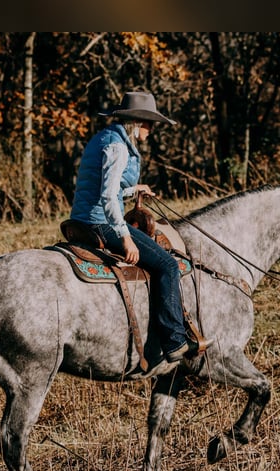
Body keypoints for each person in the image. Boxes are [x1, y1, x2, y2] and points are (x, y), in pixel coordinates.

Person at [69, 91, 209, 363]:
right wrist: (125, 238)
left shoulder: (105, 139)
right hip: (101, 222)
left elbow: (102, 188)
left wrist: (133, 189)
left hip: (85, 217)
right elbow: (108, 198)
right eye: (148, 123)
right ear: (135, 122)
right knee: (167, 264)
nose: (151, 129)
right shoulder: (119, 147)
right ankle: (174, 341)